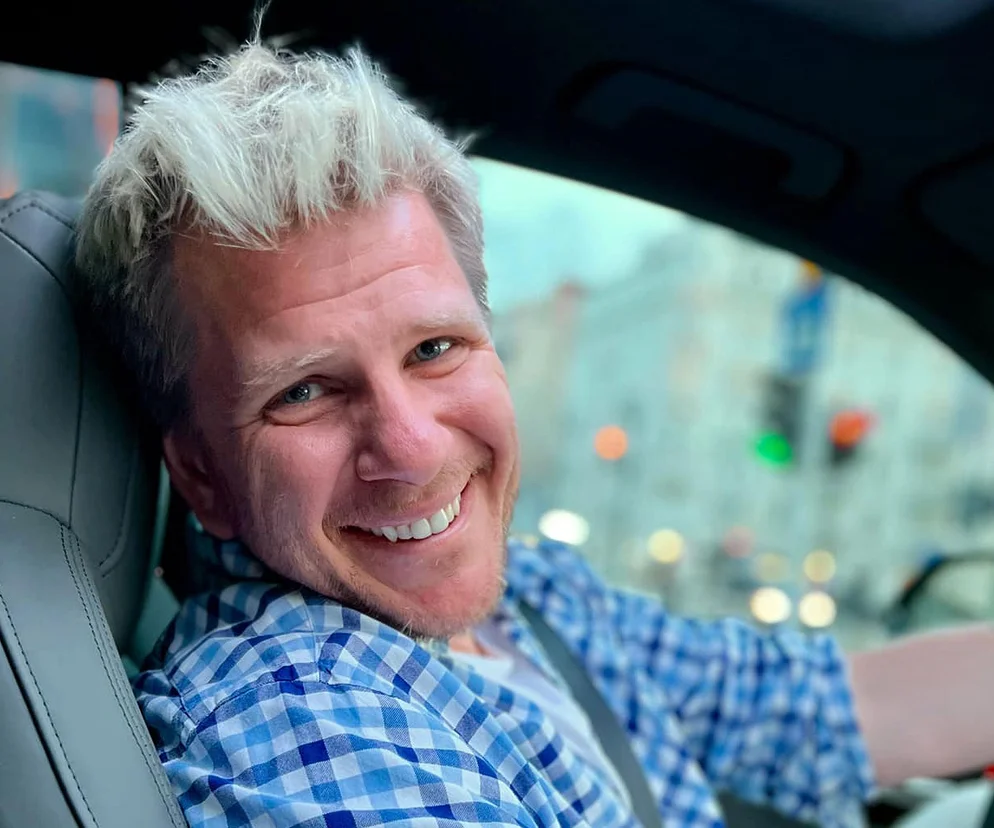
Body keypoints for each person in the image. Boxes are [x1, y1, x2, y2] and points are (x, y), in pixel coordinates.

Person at [74, 38, 994, 828]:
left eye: (435, 348)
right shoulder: (297, 721)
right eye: (305, 392)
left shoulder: (533, 597)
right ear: (201, 476)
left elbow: (804, 711)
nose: (414, 449)